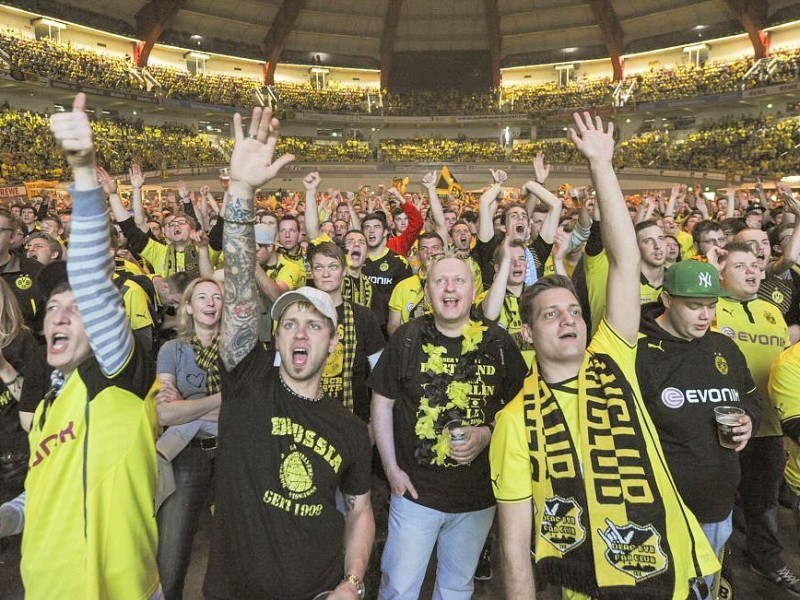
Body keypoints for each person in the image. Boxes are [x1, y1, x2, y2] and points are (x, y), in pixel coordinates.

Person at [490, 112, 718, 599]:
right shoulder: (513, 421)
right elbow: (514, 547)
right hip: (589, 587)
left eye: (573, 310)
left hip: (679, 574)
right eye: (550, 315)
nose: (569, 319)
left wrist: (601, 164)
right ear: (526, 334)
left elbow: (624, 260)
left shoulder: (612, 356)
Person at [203, 106, 374, 600]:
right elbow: (237, 285)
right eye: (290, 323)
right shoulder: (247, 378)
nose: (300, 333)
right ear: (274, 337)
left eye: (314, 325)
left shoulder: (347, 428)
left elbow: (360, 511)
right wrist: (240, 190)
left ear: (333, 341)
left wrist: (352, 582)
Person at [0, 93, 161, 598]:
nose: (61, 315)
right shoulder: (49, 401)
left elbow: (92, 280)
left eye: (78, 308)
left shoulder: (114, 379)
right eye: (51, 308)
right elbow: (45, 489)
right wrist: (10, 513)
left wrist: (84, 171)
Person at [370, 248, 526, 599]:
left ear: (474, 291)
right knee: (398, 588)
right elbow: (382, 403)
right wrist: (391, 469)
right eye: (440, 281)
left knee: (457, 588)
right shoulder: (407, 338)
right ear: (428, 293)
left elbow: (522, 409)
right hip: (414, 494)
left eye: (459, 280)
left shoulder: (497, 342)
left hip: (477, 497)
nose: (449, 288)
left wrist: (488, 433)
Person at [636, 259, 760, 597]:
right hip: (661, 514)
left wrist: (749, 421)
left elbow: (751, 400)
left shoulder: (724, 348)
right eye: (694, 306)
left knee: (705, 590)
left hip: (719, 507)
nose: (706, 316)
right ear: (666, 299)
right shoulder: (639, 353)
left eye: (711, 306)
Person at [155, 278, 223, 600]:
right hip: (188, 453)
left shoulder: (236, 349)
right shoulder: (172, 349)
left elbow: (245, 411)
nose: (210, 303)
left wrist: (187, 406)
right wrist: (221, 399)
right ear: (188, 307)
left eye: (217, 297)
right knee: (172, 548)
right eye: (202, 297)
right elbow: (164, 415)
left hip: (231, 451)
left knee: (235, 543)